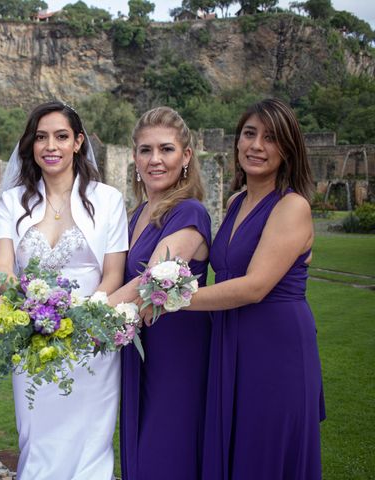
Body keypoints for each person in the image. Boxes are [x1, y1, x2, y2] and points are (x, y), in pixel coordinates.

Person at [185, 98, 324, 479]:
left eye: (271, 138)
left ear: (288, 149)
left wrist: (168, 299)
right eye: (249, 134)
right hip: (231, 338)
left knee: (264, 451)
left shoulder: (292, 207)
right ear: (237, 142)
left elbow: (255, 287)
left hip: (275, 346)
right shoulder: (235, 203)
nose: (257, 146)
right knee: (234, 445)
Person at [0, 101, 128, 479]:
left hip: (91, 343)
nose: (50, 146)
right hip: (32, 339)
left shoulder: (108, 200)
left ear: (78, 142)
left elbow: (113, 275)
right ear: (31, 146)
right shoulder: (11, 202)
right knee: (36, 441)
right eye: (41, 137)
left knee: (90, 444)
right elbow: (3, 270)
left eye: (61, 136)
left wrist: (84, 319)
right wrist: (28, 312)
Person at [107, 106, 212, 479]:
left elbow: (148, 281)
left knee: (166, 450)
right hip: (140, 347)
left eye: (166, 150)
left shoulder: (190, 212)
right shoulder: (136, 215)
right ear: (134, 157)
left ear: (185, 157)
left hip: (177, 351)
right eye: (145, 150)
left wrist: (83, 312)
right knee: (139, 447)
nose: (155, 160)